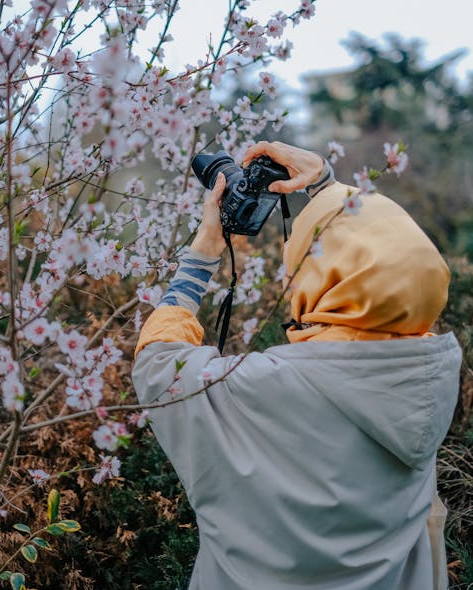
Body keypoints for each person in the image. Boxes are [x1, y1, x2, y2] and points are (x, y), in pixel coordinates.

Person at [131, 141, 461, 590]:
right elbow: (385, 262)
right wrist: (326, 184)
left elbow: (158, 365)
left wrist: (204, 253)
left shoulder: (262, 386)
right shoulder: (433, 375)